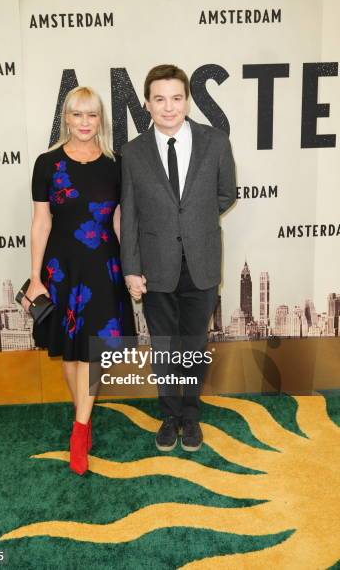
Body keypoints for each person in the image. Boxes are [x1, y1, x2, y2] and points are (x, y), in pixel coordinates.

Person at [120, 65, 236, 452]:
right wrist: (132, 268)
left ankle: (190, 414)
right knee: (164, 345)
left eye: (176, 98)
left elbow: (225, 194)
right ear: (147, 104)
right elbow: (130, 213)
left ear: (187, 99)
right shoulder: (133, 152)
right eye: (159, 99)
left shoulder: (215, 141)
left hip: (201, 262)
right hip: (155, 269)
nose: (169, 107)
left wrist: (193, 222)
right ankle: (169, 414)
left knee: (192, 343)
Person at [24, 86, 135, 475]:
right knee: (71, 353)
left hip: (104, 266)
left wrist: (131, 266)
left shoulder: (115, 164)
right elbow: (41, 221)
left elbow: (120, 220)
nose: (84, 123)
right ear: (65, 118)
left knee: (92, 352)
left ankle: (80, 429)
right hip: (62, 268)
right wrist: (35, 278)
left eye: (91, 115)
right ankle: (81, 416)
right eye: (77, 115)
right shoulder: (46, 163)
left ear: (100, 119)